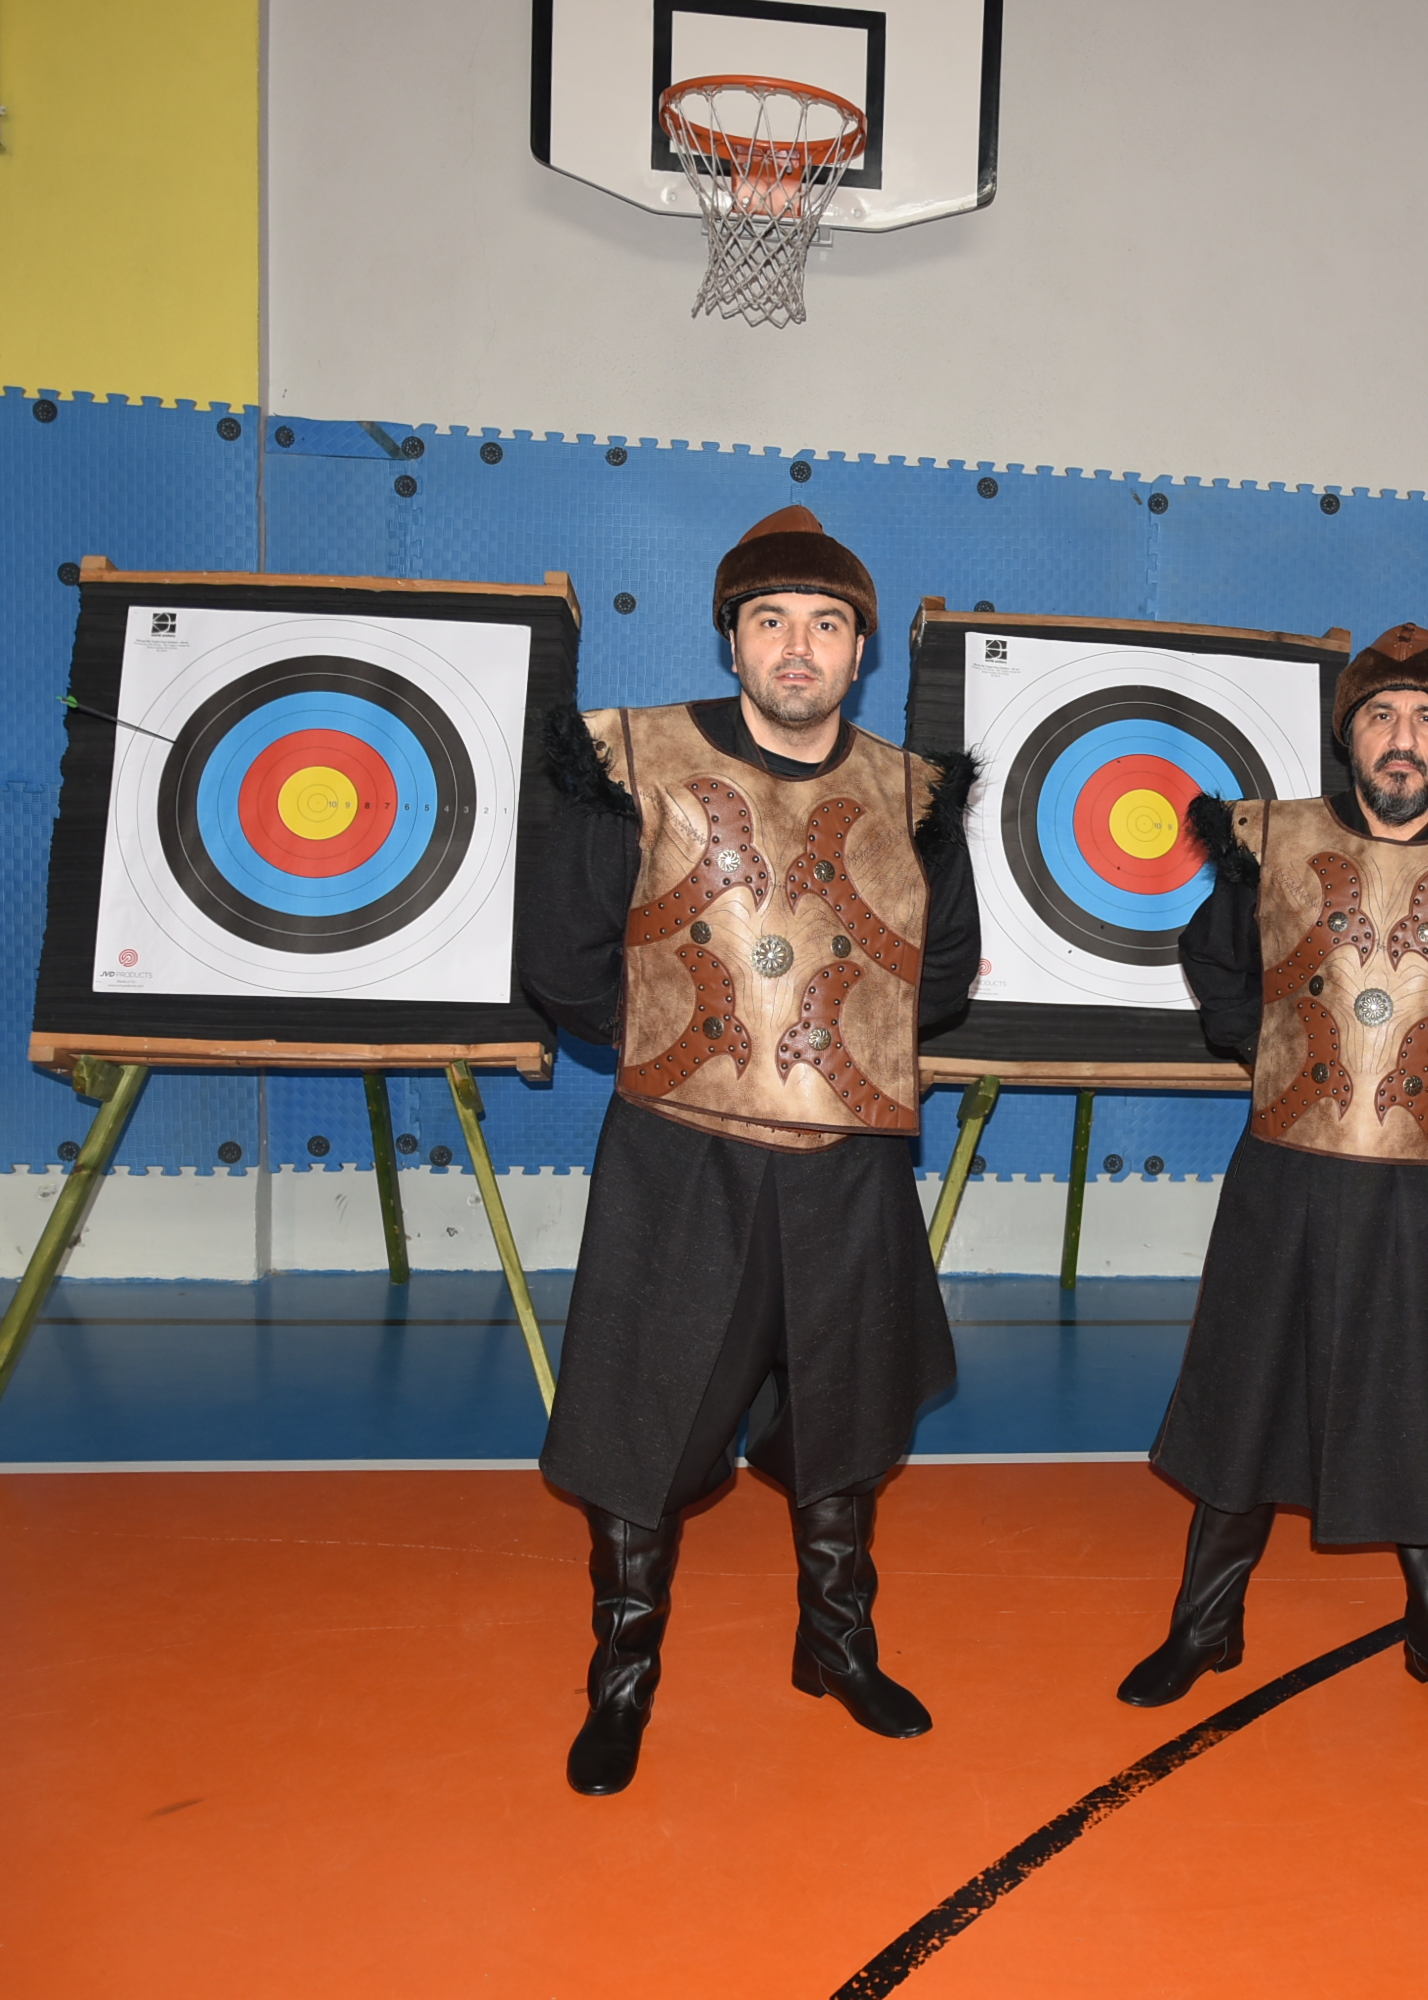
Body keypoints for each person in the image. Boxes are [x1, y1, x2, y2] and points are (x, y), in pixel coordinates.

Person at [520, 504, 979, 1796]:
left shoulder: (914, 791)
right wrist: (686, 1051)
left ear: (858, 652)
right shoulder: (631, 759)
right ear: (731, 640)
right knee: (643, 1418)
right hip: (681, 1160)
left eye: (826, 625)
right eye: (771, 621)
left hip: (849, 1159)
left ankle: (837, 1644)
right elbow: (559, 951)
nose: (797, 647)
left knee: (847, 1409)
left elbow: (942, 969)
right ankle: (622, 1681)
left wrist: (835, 1055)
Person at [1123, 623, 1428, 1731]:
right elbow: (1216, 962)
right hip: (1286, 1173)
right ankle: (1204, 1622)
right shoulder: (1272, 840)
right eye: (1382, 716)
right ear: (1350, 736)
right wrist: (1285, 1059)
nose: (1403, 738)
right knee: (1249, 1385)